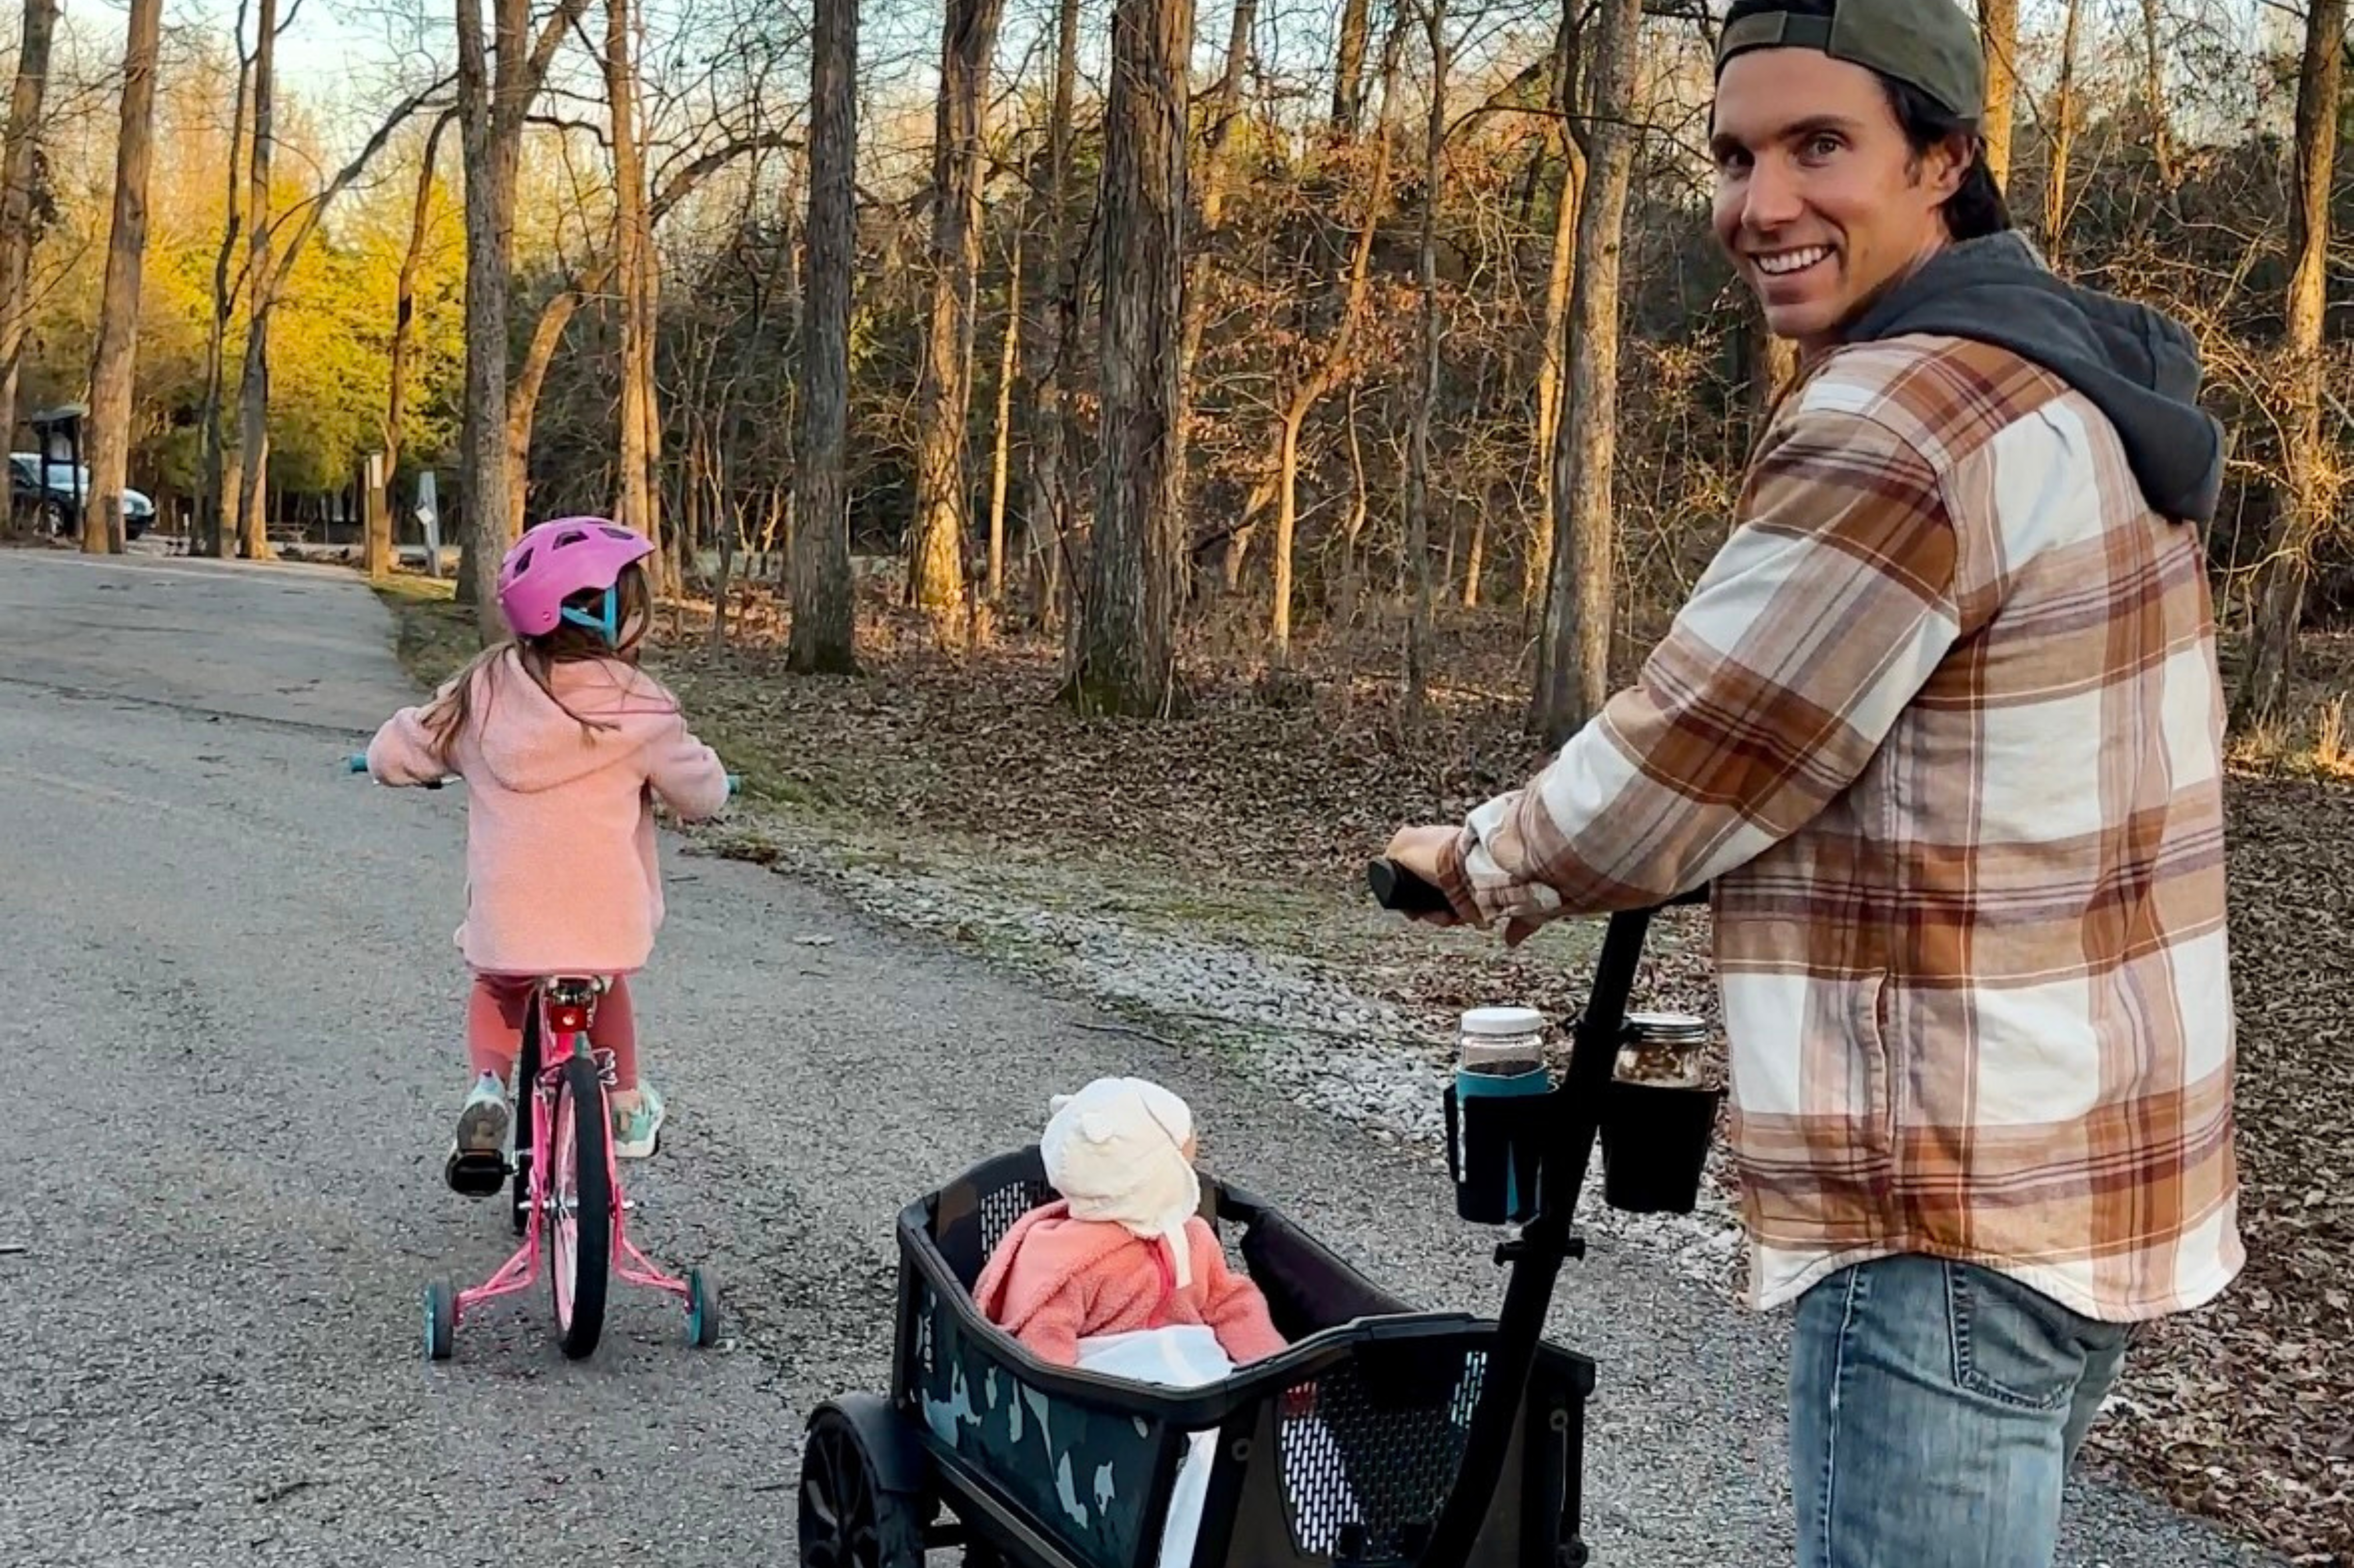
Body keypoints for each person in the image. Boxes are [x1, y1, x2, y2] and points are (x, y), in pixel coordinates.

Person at [1381, 0, 2241, 1562]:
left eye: (1818, 145)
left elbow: (1692, 753)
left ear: (1944, 161)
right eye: (1732, 154)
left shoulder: (1906, 415)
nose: (1758, 203)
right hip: (2097, 1161)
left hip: (1945, 1202)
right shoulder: (2077, 392)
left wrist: (1477, 856)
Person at [363, 517, 732, 1192]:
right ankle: (622, 1107)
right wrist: (714, 780)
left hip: (512, 922)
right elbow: (701, 794)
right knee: (606, 980)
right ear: (612, 614)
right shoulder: (641, 708)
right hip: (603, 924)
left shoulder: (482, 692)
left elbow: (400, 753)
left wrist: (376, 756)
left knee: (500, 987)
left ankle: (486, 1090)